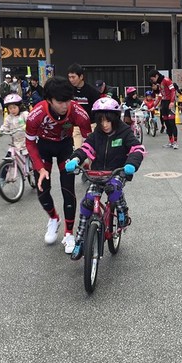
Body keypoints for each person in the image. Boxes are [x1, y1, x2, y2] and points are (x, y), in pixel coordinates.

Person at [64, 97, 145, 260]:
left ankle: (122, 212)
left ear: (115, 118)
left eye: (108, 120)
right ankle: (80, 241)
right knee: (87, 203)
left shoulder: (124, 132)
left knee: (114, 189)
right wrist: (75, 159)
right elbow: (86, 148)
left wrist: (131, 164)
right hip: (97, 174)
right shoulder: (97, 134)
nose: (105, 124)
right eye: (101, 121)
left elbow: (137, 148)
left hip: (117, 172)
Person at [25, 76, 92, 252]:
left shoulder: (77, 111)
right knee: (42, 189)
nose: (65, 106)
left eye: (68, 101)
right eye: (60, 102)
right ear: (49, 100)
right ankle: (54, 218)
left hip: (65, 147)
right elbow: (30, 143)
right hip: (43, 147)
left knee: (68, 189)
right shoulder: (36, 114)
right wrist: (39, 167)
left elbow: (89, 139)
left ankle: (69, 233)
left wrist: (88, 159)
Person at [0, 93, 29, 193]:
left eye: (14, 107)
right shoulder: (8, 117)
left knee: (33, 158)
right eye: (10, 108)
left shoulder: (24, 114)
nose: (12, 110)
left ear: (19, 106)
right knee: (7, 160)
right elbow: (5, 127)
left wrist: (28, 125)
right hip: (15, 144)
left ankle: (36, 174)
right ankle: (1, 182)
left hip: (27, 142)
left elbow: (31, 121)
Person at [67, 63, 100, 149]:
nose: (71, 80)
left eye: (73, 77)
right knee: (78, 153)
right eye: (69, 77)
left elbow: (97, 110)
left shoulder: (92, 92)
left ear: (81, 77)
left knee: (91, 152)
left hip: (91, 126)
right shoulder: (68, 91)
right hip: (76, 127)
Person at [148, 69, 178, 149]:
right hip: (164, 104)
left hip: (169, 103)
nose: (152, 81)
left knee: (172, 123)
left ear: (156, 76)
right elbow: (160, 96)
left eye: (152, 78)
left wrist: (172, 102)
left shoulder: (167, 80)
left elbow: (173, 91)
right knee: (167, 123)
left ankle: (175, 142)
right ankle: (170, 141)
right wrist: (154, 106)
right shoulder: (160, 83)